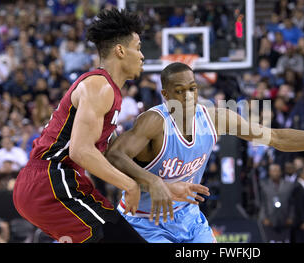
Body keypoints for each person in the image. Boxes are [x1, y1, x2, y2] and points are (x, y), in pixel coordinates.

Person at [105, 62, 304, 243]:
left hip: (188, 217)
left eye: (192, 89)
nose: (188, 96)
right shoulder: (154, 123)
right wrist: (152, 181)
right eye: (179, 91)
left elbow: (277, 137)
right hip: (144, 220)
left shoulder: (215, 118)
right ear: (165, 94)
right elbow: (114, 155)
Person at [12, 8, 200, 244]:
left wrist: (162, 185)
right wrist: (129, 185)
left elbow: (109, 157)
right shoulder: (100, 86)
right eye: (138, 47)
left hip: (57, 183)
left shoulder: (109, 91)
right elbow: (80, 151)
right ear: (120, 50)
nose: (142, 56)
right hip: (50, 181)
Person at [259, 163, 294, 243]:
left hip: (285, 219)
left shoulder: (289, 185)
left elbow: (292, 203)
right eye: (273, 171)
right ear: (269, 172)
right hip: (270, 219)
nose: (275, 173)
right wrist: (264, 217)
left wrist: (291, 217)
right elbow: (262, 203)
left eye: (277, 171)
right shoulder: (264, 185)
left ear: (281, 172)